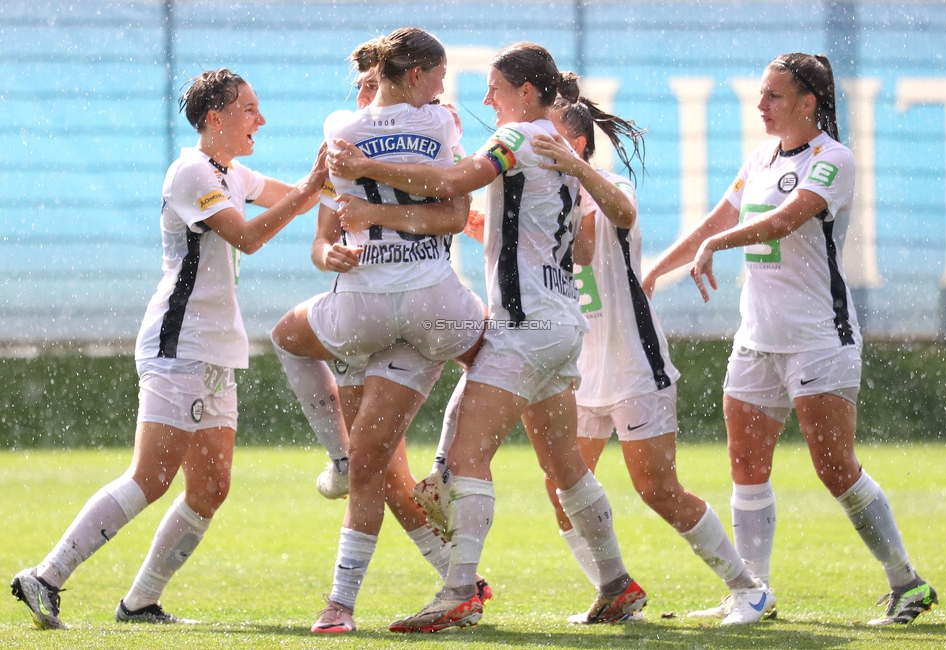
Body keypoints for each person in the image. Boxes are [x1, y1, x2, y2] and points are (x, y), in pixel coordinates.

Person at [329, 42, 646, 633]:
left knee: (465, 457)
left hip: (523, 329)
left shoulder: (520, 138)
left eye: (494, 89)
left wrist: (366, 169)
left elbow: (453, 179)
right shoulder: (552, 145)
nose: (484, 99)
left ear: (525, 93)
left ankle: (458, 593)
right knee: (565, 466)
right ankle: (616, 582)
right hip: (559, 325)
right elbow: (591, 234)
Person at [10, 68, 329, 629]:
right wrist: (310, 190)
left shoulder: (231, 172)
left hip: (215, 353)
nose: (261, 119)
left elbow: (300, 199)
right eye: (249, 109)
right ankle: (46, 576)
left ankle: (139, 603)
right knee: (150, 478)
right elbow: (249, 237)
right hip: (177, 346)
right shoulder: (191, 172)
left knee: (211, 486)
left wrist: (346, 181)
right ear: (215, 118)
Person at [641, 53, 937, 626]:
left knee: (834, 467)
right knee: (746, 465)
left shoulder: (834, 159)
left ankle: (907, 583)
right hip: (759, 336)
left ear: (809, 102)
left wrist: (714, 248)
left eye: (774, 96)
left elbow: (784, 220)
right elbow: (713, 222)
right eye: (761, 93)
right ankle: (754, 592)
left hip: (819, 336)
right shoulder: (759, 156)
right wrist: (659, 268)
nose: (761, 105)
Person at [527, 81, 774, 625]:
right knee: (561, 486)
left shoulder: (606, 185)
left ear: (577, 143)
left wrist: (568, 172)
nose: (535, 143)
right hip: (580, 370)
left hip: (635, 364)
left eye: (549, 136)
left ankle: (749, 589)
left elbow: (588, 244)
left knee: (658, 490)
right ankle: (614, 593)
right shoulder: (545, 199)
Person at [269, 27, 487, 634]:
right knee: (381, 462)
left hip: (362, 316)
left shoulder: (339, 129)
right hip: (417, 307)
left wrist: (370, 204)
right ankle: (454, 564)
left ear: (381, 77)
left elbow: (434, 203)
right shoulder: (437, 122)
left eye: (370, 81)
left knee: (370, 460)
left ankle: (346, 602)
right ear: (413, 76)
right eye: (437, 80)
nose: (443, 94)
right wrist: (328, 254)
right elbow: (329, 239)